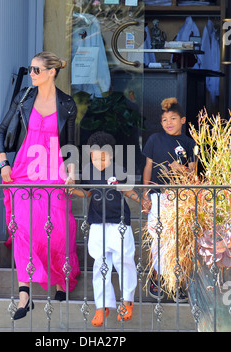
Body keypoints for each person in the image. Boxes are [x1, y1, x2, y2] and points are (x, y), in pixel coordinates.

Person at [0, 51, 80, 320]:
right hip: (22, 170)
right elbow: (1, 131)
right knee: (21, 227)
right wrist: (4, 163)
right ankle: (24, 294)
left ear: (51, 72)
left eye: (36, 70)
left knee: (58, 227)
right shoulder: (24, 97)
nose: (31, 74)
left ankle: (59, 277)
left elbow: (70, 143)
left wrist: (71, 172)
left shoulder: (67, 104)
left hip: (52, 168)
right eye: (30, 70)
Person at [71, 131, 140, 327]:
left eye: (103, 157)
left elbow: (127, 190)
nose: (98, 161)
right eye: (94, 157)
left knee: (124, 260)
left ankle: (127, 302)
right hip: (97, 223)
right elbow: (86, 194)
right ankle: (102, 307)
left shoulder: (119, 170)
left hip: (119, 223)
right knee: (100, 265)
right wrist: (69, 189)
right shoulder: (87, 171)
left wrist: (141, 200)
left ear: (111, 155)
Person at [142, 97, 197, 302]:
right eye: (165, 120)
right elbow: (148, 167)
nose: (168, 123)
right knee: (157, 238)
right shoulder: (154, 140)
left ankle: (178, 280)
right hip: (157, 195)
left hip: (180, 199)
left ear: (183, 120)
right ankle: (157, 277)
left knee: (177, 239)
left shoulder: (190, 143)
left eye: (173, 118)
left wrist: (180, 169)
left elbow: (194, 175)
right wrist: (145, 194)